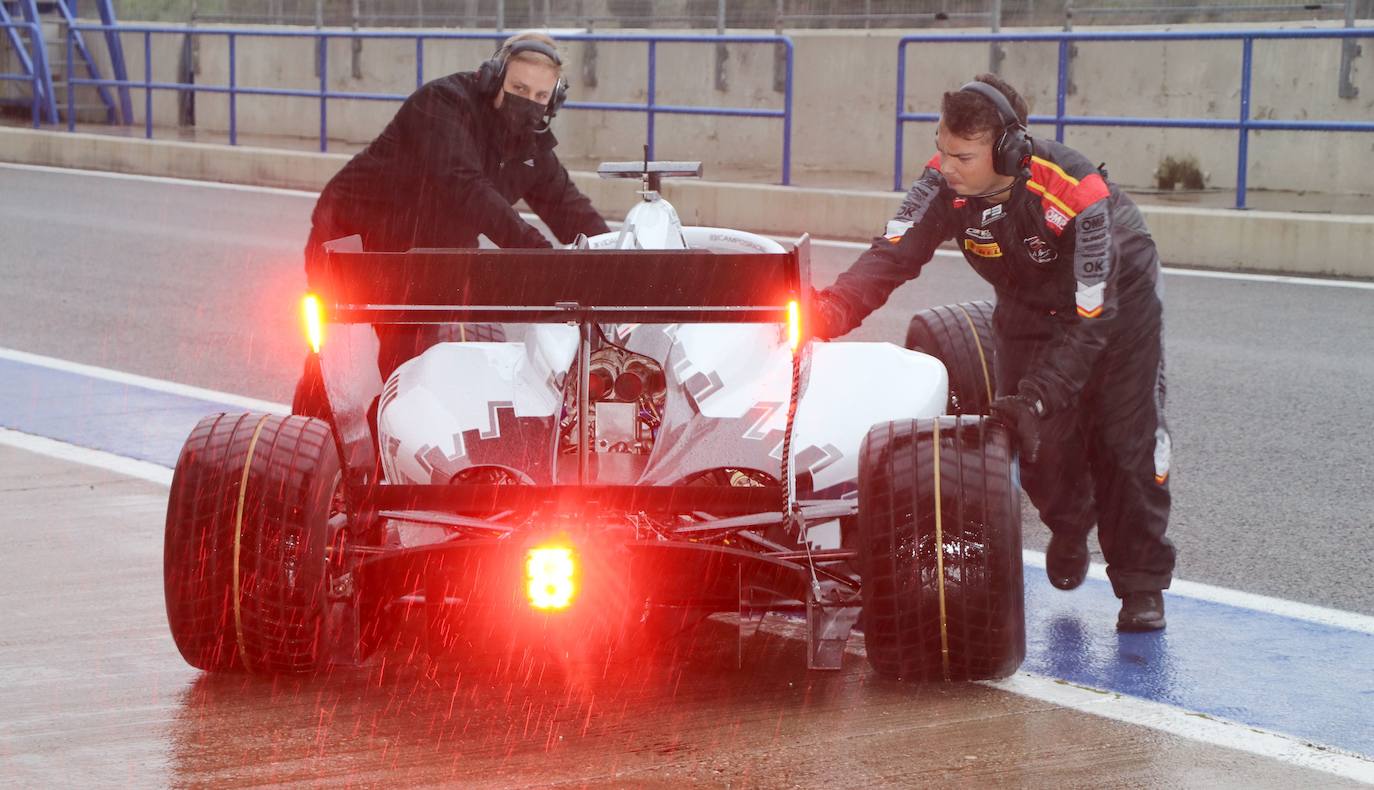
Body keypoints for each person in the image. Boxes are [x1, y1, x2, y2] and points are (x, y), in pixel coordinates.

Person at [812, 74, 1174, 631]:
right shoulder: (940, 183)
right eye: (940, 148)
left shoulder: (1076, 193)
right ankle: (1071, 523)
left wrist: (1039, 395)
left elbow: (1092, 320)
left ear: (1008, 150)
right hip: (1029, 307)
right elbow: (892, 253)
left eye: (962, 155)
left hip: (1115, 307)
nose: (945, 165)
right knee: (1036, 446)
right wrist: (829, 311)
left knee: (1125, 445)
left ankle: (1142, 585)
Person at [294, 31, 610, 413]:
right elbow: (466, 186)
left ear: (553, 101)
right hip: (354, 236)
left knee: (418, 362)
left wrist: (618, 260)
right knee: (338, 358)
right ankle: (315, 432)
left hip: (429, 249)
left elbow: (569, 207)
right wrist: (540, 254)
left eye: (540, 97)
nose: (527, 103)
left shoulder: (532, 148)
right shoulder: (443, 103)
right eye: (518, 88)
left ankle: (399, 445)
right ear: (495, 79)